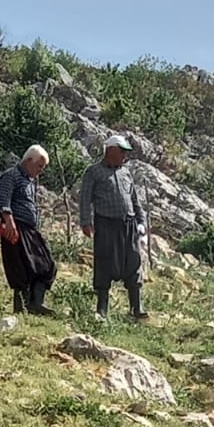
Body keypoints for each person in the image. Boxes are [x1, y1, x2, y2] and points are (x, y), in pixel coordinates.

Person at [79, 133, 147, 319]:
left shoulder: (126, 172)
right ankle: (102, 309)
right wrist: (86, 222)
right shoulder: (93, 172)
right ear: (111, 151)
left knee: (133, 262)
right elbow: (85, 198)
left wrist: (142, 222)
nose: (125, 156)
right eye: (122, 152)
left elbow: (134, 200)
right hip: (106, 224)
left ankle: (136, 308)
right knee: (104, 262)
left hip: (128, 225)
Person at [0, 145, 56, 315]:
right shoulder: (11, 176)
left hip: (29, 229)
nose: (40, 171)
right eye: (39, 166)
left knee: (45, 264)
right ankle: (21, 308)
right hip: (15, 226)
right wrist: (8, 221)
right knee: (20, 268)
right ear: (29, 161)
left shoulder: (30, 182)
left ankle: (36, 303)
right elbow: (3, 199)